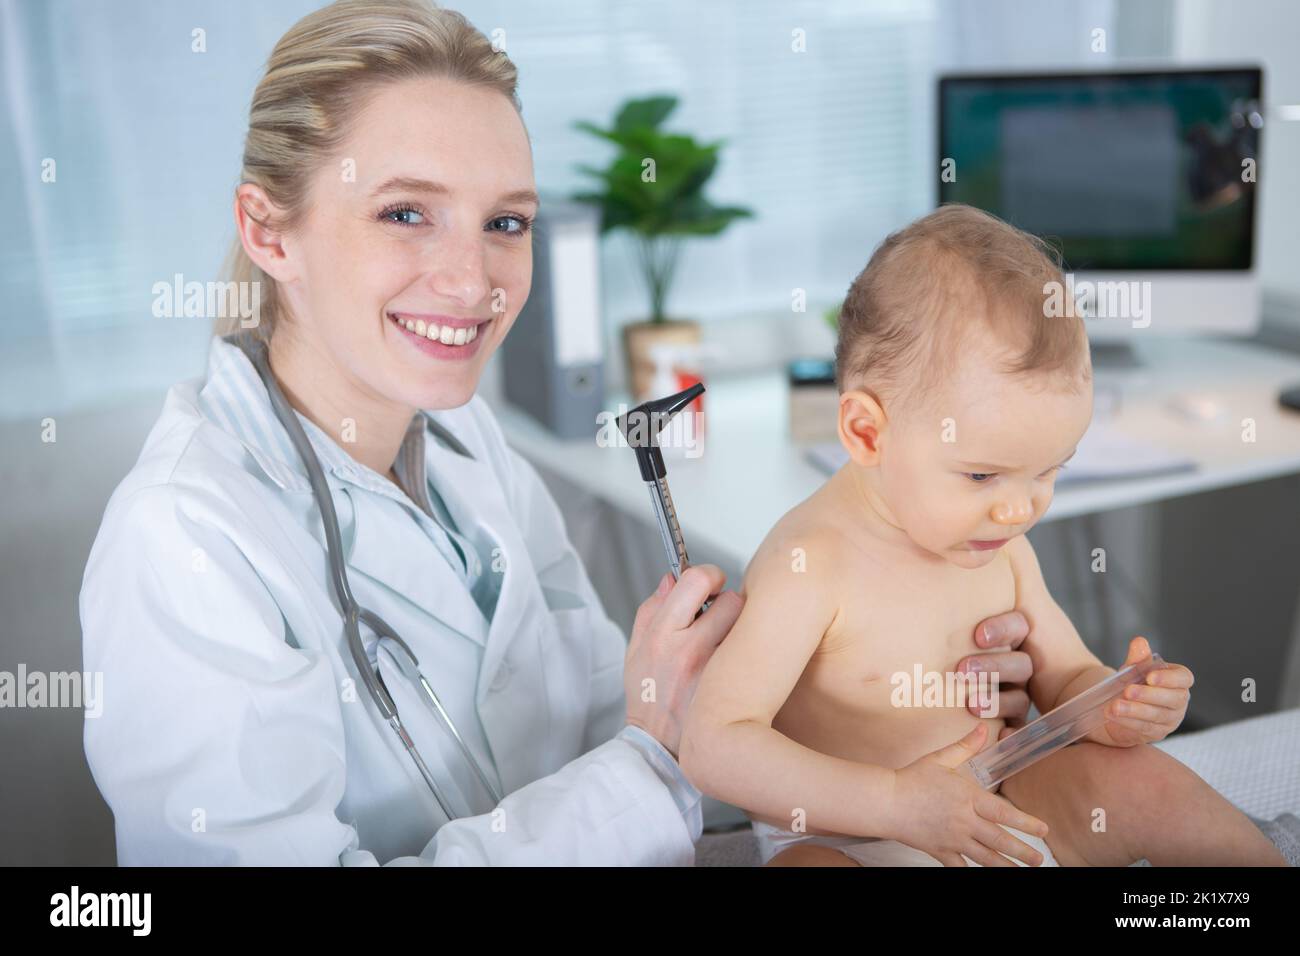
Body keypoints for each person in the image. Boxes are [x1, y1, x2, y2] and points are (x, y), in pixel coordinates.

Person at [79, 0, 1039, 866]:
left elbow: (613, 735)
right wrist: (655, 751)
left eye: (506, 222)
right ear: (268, 229)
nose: (473, 279)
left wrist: (871, 684)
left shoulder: (469, 446)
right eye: (405, 213)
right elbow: (637, 761)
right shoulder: (185, 538)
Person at [680, 204, 1287, 867]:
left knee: (1143, 779)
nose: (1018, 512)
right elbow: (715, 744)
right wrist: (895, 802)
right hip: (844, 835)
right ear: (865, 433)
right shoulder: (811, 564)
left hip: (998, 804)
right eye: (981, 474)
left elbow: (1065, 679)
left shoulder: (1001, 549)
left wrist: (1114, 706)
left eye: (1049, 471)